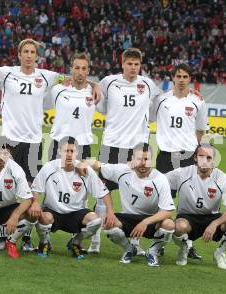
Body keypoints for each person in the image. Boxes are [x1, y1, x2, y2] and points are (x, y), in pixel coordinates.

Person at [0, 39, 102, 251]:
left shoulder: (47, 77)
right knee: (4, 185)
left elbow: (74, 78)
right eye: (25, 51)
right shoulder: (6, 72)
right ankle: (3, 234)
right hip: (8, 139)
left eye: (32, 52)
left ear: (37, 56)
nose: (29, 55)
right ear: (19, 54)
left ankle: (27, 234)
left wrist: (95, 84)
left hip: (34, 141)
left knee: (29, 188)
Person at [89, 48, 162, 254]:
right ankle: (95, 242)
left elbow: (162, 103)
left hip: (137, 148)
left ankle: (135, 244)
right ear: (122, 63)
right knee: (103, 192)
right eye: (129, 63)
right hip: (112, 144)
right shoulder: (108, 82)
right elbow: (100, 105)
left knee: (135, 196)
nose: (133, 68)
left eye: (136, 64)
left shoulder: (148, 85)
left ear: (141, 65)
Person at [150, 63, 208, 259]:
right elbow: (147, 117)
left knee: (188, 202)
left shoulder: (198, 102)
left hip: (187, 157)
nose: (181, 79)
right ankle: (160, 242)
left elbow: (200, 129)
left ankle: (188, 244)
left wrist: (193, 149)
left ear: (189, 79)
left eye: (185, 76)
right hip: (166, 156)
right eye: (178, 76)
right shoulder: (161, 99)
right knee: (161, 202)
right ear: (172, 78)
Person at [84, 143, 175, 266]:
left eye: (146, 159)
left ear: (151, 160)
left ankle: (152, 252)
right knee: (109, 223)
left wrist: (145, 222)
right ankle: (129, 249)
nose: (143, 163)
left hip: (150, 220)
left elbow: (168, 211)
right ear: (132, 159)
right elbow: (96, 164)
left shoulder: (160, 179)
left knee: (169, 224)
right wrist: (82, 163)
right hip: (128, 218)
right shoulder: (122, 170)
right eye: (139, 159)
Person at [30, 137, 116, 259]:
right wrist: (35, 203)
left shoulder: (85, 171)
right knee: (42, 215)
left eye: (72, 151)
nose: (69, 154)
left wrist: (111, 212)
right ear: (59, 151)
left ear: (77, 153)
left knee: (96, 221)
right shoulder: (49, 167)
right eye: (66, 151)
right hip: (53, 212)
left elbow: (104, 193)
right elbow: (35, 189)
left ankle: (75, 243)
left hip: (76, 214)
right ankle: (44, 243)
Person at [166, 144, 226, 270]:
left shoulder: (221, 178)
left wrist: (214, 224)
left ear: (214, 160)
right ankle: (184, 247)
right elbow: (159, 182)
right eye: (201, 156)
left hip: (212, 218)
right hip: (187, 217)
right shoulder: (182, 173)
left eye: (209, 158)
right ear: (195, 158)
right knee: (179, 227)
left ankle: (220, 252)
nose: (205, 161)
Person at [48, 53, 95, 161]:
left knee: (83, 178)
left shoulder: (94, 93)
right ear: (71, 69)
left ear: (88, 71)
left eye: (84, 68)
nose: (80, 72)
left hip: (83, 146)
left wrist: (94, 85)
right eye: (77, 68)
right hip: (59, 145)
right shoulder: (57, 90)